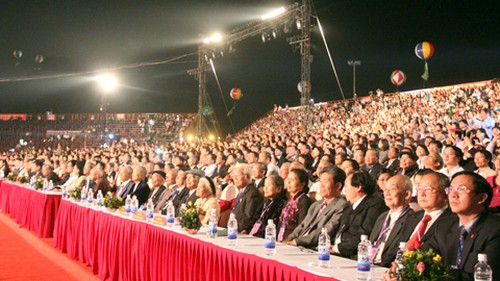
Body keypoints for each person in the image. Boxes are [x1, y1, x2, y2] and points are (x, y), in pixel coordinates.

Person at [423, 171, 500, 281]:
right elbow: (423, 257)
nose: (453, 195)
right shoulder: (444, 225)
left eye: (461, 189)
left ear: (481, 198)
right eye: (450, 189)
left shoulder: (495, 229)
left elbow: (481, 276)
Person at [284, 167, 348, 249]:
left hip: (315, 248)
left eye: (325, 182)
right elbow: (302, 226)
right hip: (298, 245)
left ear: (338, 186)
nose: (321, 185)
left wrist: (296, 242)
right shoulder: (316, 205)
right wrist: (287, 241)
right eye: (320, 181)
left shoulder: (342, 205)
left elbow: (326, 231)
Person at [331, 170, 388, 259]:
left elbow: (364, 235)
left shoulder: (375, 204)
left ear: (358, 187)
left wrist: (337, 248)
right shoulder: (348, 207)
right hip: (336, 252)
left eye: (346, 186)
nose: (343, 191)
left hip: (355, 256)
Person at [399, 169, 454, 250]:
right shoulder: (412, 217)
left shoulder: (453, 221)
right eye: (420, 188)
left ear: (445, 195)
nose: (422, 193)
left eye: (428, 189)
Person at [369, 175, 414, 267]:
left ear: (407, 194)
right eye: (385, 189)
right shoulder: (382, 217)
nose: (387, 193)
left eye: (392, 189)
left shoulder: (411, 219)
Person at [277, 168, 313, 241]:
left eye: (293, 180)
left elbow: (302, 226)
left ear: (302, 184)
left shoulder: (304, 201)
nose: (288, 182)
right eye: (288, 178)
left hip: (291, 241)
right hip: (280, 239)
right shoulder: (289, 200)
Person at [231, 163, 264, 233]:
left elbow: (248, 217)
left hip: (243, 232)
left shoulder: (253, 193)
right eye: (234, 176)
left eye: (238, 176)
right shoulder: (241, 191)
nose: (235, 178)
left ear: (248, 177)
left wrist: (236, 229)